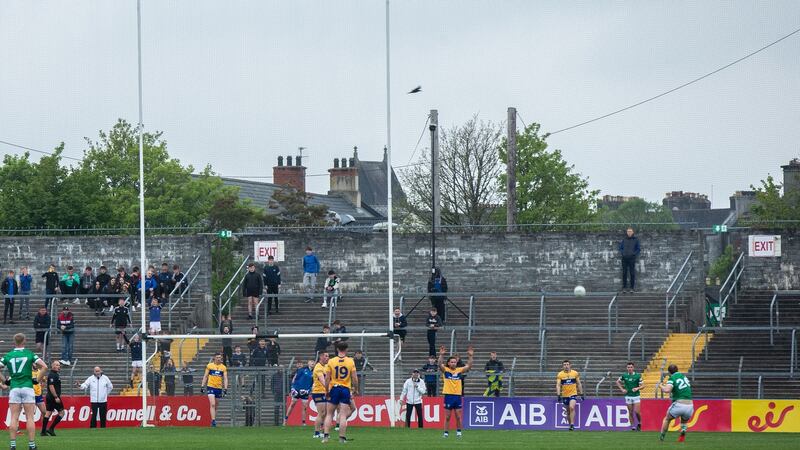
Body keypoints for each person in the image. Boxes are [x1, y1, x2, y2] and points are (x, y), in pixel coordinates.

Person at [0, 333, 47, 450]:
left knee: (14, 417)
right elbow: (44, 367)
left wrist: (5, 381)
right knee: (30, 417)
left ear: (14, 342)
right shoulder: (29, 354)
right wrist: (37, 380)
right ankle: (31, 445)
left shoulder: (9, 355)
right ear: (24, 341)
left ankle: (13, 445)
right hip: (27, 387)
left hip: (14, 388)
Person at [322, 341, 358, 444]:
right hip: (345, 389)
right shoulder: (350, 361)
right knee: (342, 415)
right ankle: (342, 438)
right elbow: (354, 378)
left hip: (334, 388)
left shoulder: (331, 361)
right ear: (346, 349)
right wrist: (356, 389)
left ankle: (325, 437)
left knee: (329, 414)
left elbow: (327, 378)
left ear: (337, 349)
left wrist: (326, 390)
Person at [438, 344, 474, 438]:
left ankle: (459, 432)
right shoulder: (445, 370)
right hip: (448, 396)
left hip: (457, 396)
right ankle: (446, 433)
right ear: (449, 363)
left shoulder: (459, 370)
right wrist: (441, 355)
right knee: (447, 417)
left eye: (455, 362)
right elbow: (439, 364)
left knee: (458, 416)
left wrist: (470, 356)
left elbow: (469, 366)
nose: (454, 363)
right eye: (452, 362)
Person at [658, 364, 693, 443]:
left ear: (669, 372)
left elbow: (667, 390)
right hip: (690, 405)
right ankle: (683, 430)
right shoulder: (684, 377)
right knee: (684, 421)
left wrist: (661, 386)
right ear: (677, 370)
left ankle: (662, 437)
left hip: (679, 404)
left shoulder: (672, 378)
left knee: (667, 419)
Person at [201, 353, 228, 428]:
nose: (219, 359)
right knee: (212, 404)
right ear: (214, 358)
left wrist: (225, 388)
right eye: (217, 357)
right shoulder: (210, 366)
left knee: (216, 405)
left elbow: (225, 378)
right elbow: (205, 376)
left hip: (218, 388)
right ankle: (213, 421)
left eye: (220, 357)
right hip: (211, 386)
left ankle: (213, 418)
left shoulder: (223, 367)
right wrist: (202, 386)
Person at [556, 359, 584, 431]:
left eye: (567, 364)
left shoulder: (575, 373)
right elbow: (558, 385)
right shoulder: (560, 374)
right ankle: (570, 426)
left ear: (570, 365)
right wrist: (558, 395)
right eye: (564, 365)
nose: (566, 366)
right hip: (565, 395)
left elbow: (579, 383)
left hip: (573, 394)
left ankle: (572, 424)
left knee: (571, 407)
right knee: (568, 411)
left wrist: (581, 394)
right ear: (563, 366)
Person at [284, 359, 314, 426]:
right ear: (308, 363)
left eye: (313, 362)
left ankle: (303, 422)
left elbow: (312, 383)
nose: (313, 363)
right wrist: (293, 388)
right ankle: (285, 420)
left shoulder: (314, 372)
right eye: (311, 362)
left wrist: (308, 390)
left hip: (305, 391)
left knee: (304, 407)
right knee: (292, 404)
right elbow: (295, 379)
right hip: (297, 390)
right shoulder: (302, 370)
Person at [617, 361, 643, 431]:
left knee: (637, 411)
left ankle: (640, 423)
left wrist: (637, 388)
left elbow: (643, 386)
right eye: (628, 367)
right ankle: (633, 427)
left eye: (631, 367)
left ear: (633, 368)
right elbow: (617, 382)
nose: (630, 368)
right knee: (630, 412)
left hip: (636, 396)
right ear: (626, 368)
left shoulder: (638, 375)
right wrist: (622, 389)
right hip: (628, 396)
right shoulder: (624, 375)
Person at [42, 360, 64, 436]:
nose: (59, 367)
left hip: (50, 396)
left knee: (48, 413)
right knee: (61, 413)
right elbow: (51, 386)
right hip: (53, 397)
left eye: (59, 365)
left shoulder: (55, 374)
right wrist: (56, 397)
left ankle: (43, 431)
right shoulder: (52, 375)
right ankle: (51, 429)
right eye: (57, 365)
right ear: (53, 366)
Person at [311, 352, 330, 439]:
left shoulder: (325, 366)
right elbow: (322, 380)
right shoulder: (318, 367)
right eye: (326, 356)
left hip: (324, 391)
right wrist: (329, 389)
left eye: (328, 356)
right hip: (318, 392)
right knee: (321, 412)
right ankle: (316, 433)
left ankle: (322, 431)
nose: (327, 358)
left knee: (325, 413)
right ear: (321, 357)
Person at [619, 227, 641, 293]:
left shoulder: (636, 240)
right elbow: (620, 248)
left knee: (632, 273)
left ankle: (632, 288)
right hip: (624, 258)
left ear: (633, 232)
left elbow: (638, 249)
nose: (629, 232)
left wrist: (633, 254)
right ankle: (624, 288)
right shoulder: (624, 239)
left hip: (632, 258)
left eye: (630, 231)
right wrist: (623, 253)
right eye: (628, 231)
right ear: (626, 232)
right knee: (624, 273)